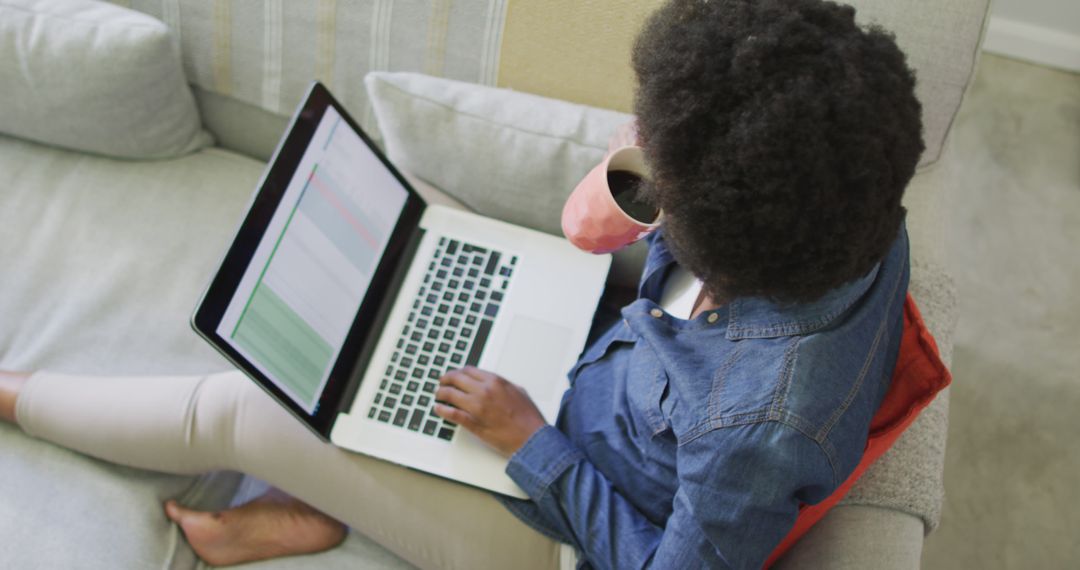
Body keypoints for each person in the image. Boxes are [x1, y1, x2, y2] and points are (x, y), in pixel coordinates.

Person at [0, 0, 925, 568]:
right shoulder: (849, 197)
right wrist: (640, 188)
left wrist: (529, 442)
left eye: (665, 178)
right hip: (596, 366)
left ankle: (18, 394)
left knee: (245, 413)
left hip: (558, 527)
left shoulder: (752, 432)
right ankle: (323, 500)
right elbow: (634, 246)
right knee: (414, 232)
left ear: (728, 234)